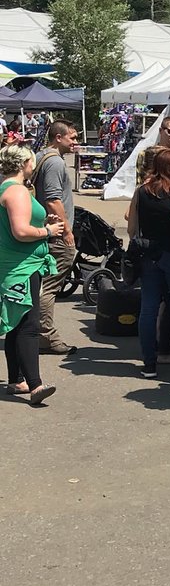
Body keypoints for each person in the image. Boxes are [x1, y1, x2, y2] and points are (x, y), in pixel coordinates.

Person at [0, 143, 63, 404]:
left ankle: (17, 380)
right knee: (28, 325)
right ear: (24, 163)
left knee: (16, 323)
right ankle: (35, 385)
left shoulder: (8, 188)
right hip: (21, 267)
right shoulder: (17, 191)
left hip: (18, 264)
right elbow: (20, 231)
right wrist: (48, 231)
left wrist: (42, 223)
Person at [129, 149, 170, 378]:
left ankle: (149, 364)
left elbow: (131, 227)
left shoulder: (142, 191)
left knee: (148, 309)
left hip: (148, 254)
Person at [32, 118, 79, 356]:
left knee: (41, 284)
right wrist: (67, 230)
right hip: (56, 233)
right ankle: (46, 336)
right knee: (49, 287)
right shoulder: (55, 163)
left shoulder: (42, 156)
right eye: (72, 137)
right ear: (58, 138)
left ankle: (35, 332)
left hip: (45, 231)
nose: (76, 142)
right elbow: (52, 200)